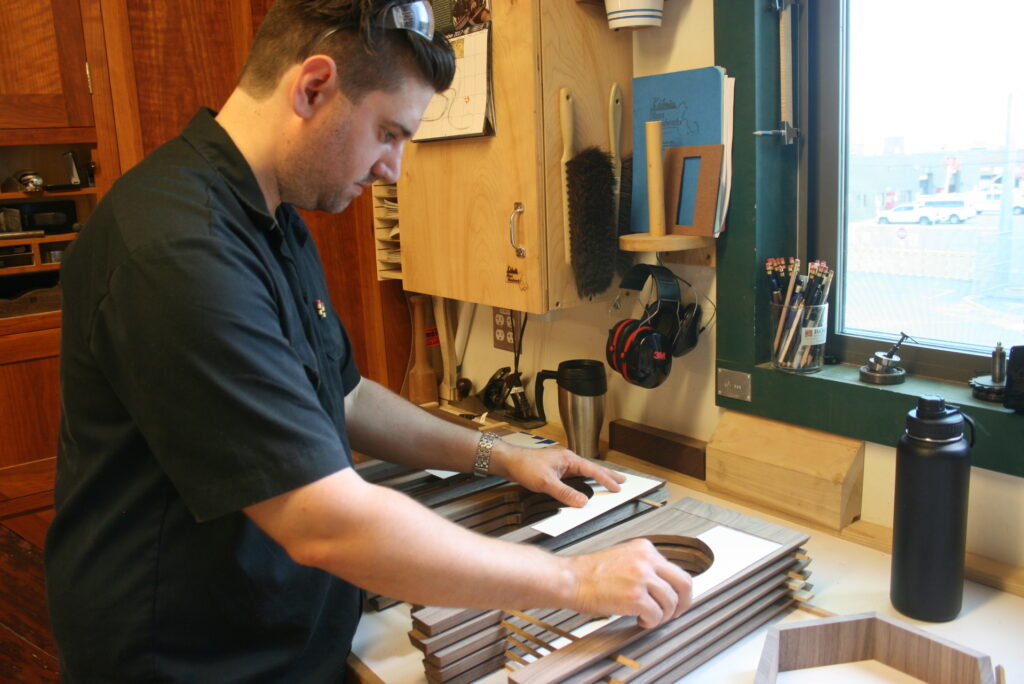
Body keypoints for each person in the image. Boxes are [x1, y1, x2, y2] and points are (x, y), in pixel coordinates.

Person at [45, 1, 693, 681]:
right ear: (314, 86)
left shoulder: (270, 218)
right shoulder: (175, 249)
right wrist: (578, 582)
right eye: (388, 132)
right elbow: (322, 520)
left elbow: (345, 397)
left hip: (284, 638)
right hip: (193, 662)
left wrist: (498, 454)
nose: (395, 169)